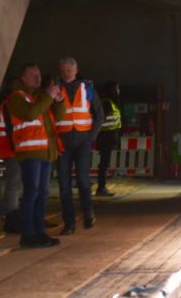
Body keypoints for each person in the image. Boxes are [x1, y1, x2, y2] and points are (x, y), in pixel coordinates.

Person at [6, 64, 66, 248]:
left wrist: (58, 100)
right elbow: (30, 114)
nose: (37, 78)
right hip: (30, 153)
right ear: (23, 79)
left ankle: (40, 232)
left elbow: (59, 116)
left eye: (39, 74)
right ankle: (27, 234)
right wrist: (48, 98)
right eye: (32, 75)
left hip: (46, 152)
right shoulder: (16, 98)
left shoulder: (40, 98)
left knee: (42, 194)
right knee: (31, 193)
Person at [55, 57, 104, 235]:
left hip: (82, 141)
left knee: (83, 180)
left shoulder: (87, 89)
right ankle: (69, 223)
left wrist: (90, 137)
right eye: (63, 69)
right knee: (64, 184)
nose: (66, 72)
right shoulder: (55, 90)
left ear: (76, 70)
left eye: (69, 69)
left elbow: (99, 115)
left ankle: (88, 213)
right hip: (63, 142)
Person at [0, 78, 23, 233]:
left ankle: (12, 216)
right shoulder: (11, 103)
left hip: (10, 148)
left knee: (14, 184)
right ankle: (11, 218)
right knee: (13, 184)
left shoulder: (6, 102)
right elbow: (11, 127)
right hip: (11, 149)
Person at [96, 81, 121, 197]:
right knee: (104, 164)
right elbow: (101, 120)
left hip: (108, 137)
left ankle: (102, 187)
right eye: (117, 88)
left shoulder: (111, 103)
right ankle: (101, 188)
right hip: (105, 138)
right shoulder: (107, 103)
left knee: (105, 163)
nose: (118, 91)